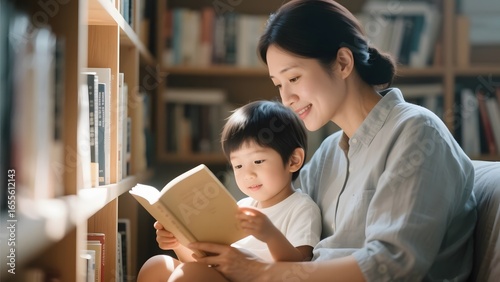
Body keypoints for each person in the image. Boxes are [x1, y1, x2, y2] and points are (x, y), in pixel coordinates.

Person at [148, 0, 478, 281]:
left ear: (343, 63)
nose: (287, 97)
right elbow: (283, 225)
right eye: (278, 84)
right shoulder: (328, 155)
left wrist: (260, 273)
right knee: (160, 267)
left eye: (294, 77)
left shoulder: (416, 132)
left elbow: (390, 265)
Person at [137, 100, 322, 281]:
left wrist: (271, 235)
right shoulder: (241, 207)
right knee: (157, 265)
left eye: (258, 161)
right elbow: (203, 263)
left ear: (293, 160)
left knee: (188, 275)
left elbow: (301, 268)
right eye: (238, 165)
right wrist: (178, 242)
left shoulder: (301, 208)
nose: (247, 174)